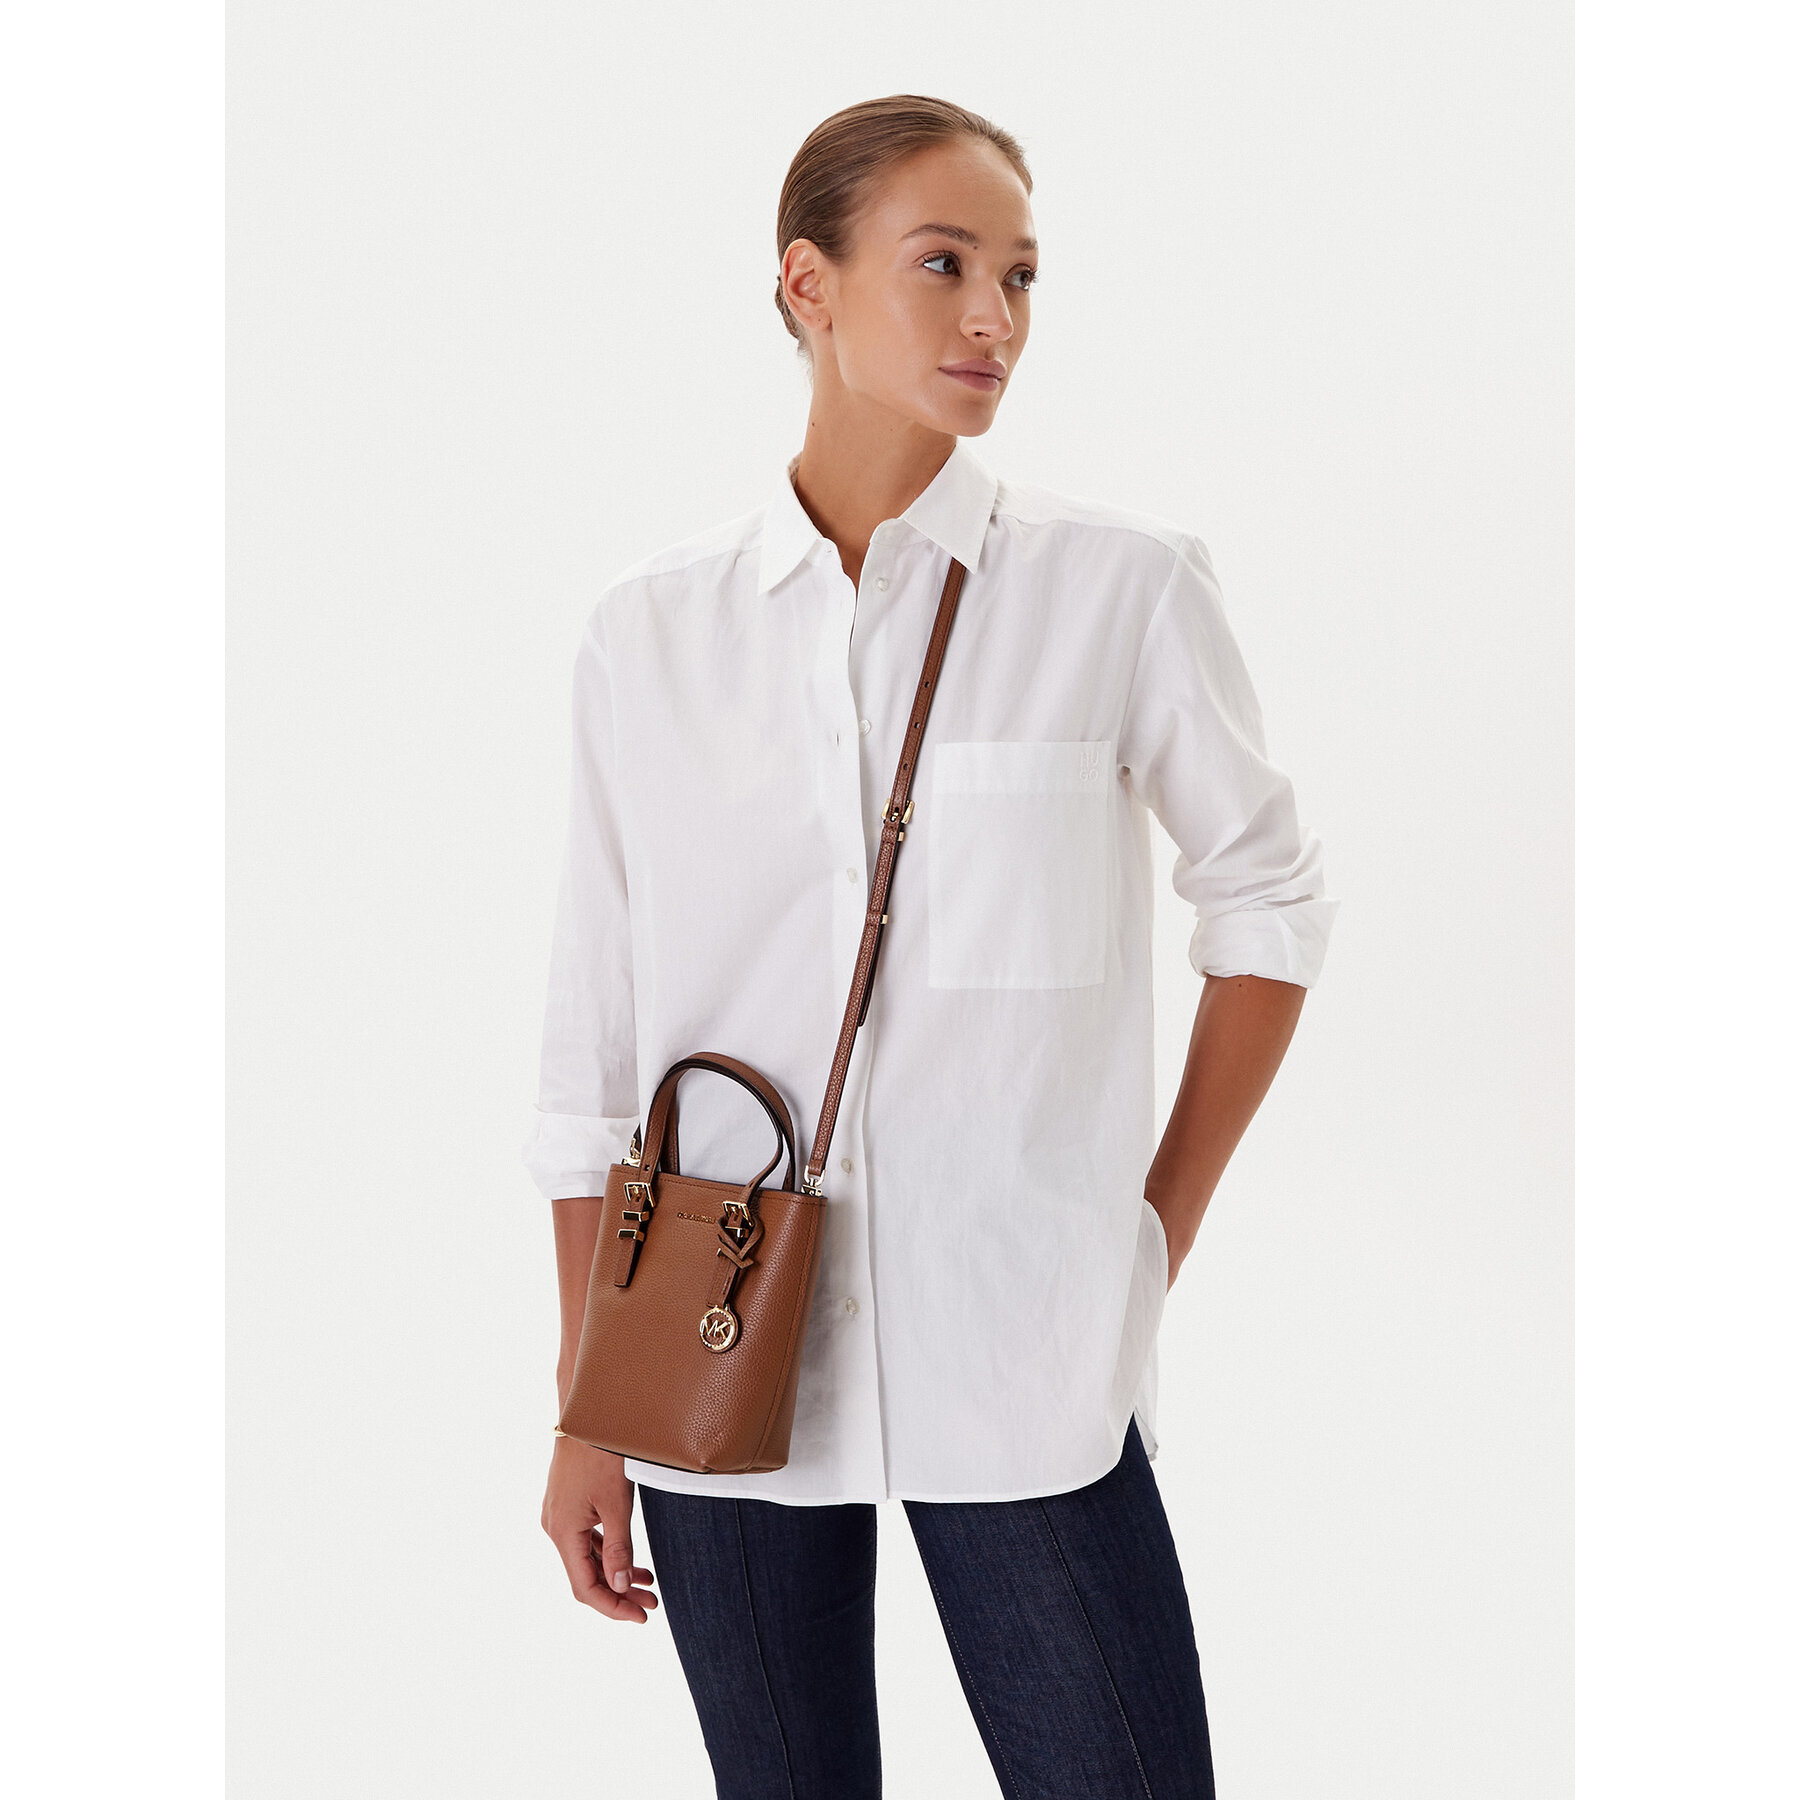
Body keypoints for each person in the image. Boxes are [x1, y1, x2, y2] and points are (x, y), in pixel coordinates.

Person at [525, 93, 1338, 1800]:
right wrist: (589, 1404)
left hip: (1030, 1357)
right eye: (945, 265)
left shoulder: (1118, 591)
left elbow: (1267, 905)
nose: (995, 319)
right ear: (807, 285)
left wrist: (1149, 1237)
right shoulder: (648, 634)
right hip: (710, 1361)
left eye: (1022, 276)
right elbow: (593, 1054)